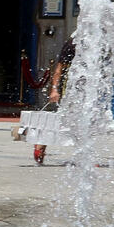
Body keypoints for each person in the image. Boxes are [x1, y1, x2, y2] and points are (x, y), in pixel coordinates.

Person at [33, 37, 76, 165]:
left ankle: (87, 155)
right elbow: (59, 69)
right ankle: (41, 144)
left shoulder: (97, 44)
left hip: (87, 90)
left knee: (86, 120)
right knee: (61, 118)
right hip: (70, 89)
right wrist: (54, 90)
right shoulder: (73, 43)